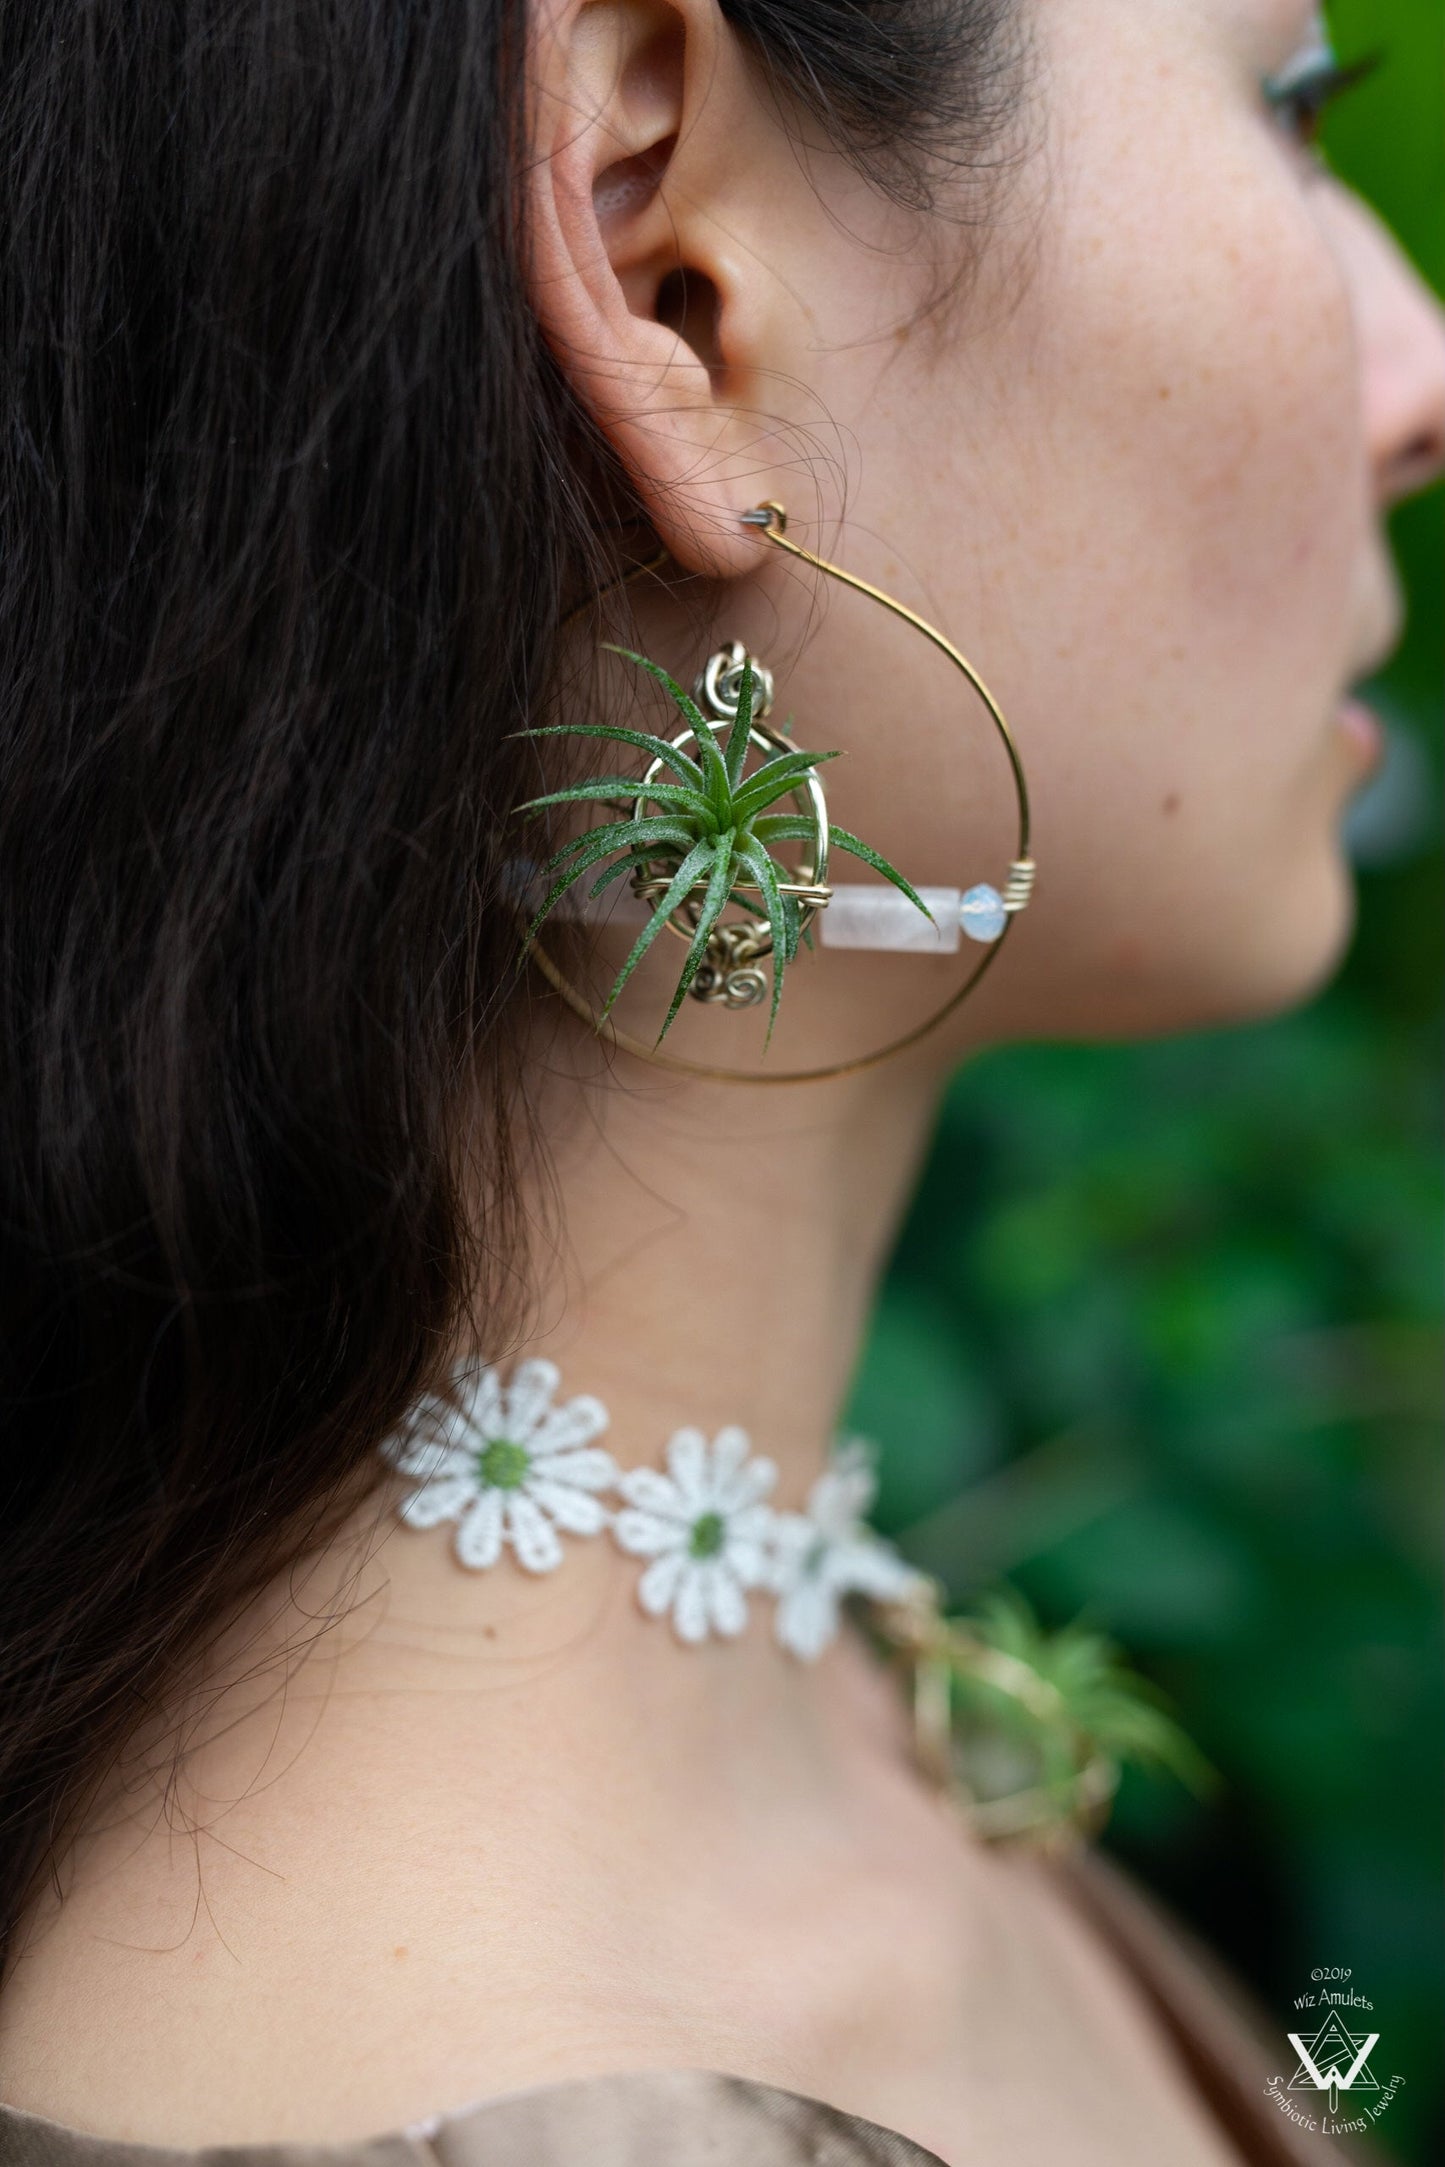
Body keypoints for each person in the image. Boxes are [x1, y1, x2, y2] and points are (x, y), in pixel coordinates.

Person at [1, 0, 1441, 2161]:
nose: (1423, 370)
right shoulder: (481, 2079)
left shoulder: (828, 1724)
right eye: (1288, 108)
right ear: (663, 259)